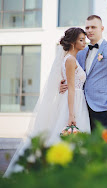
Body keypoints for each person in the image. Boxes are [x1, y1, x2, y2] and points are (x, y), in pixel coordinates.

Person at [4, 27, 91, 177]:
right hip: (73, 103)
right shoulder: (70, 60)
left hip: (76, 100)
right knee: (63, 138)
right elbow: (71, 88)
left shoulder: (71, 59)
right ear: (72, 42)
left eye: (84, 39)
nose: (84, 42)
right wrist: (72, 115)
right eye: (81, 40)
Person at [60, 15, 107, 134]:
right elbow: (75, 76)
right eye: (87, 27)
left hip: (103, 109)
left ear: (101, 28)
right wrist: (63, 85)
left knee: (103, 150)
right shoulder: (80, 52)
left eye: (93, 27)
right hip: (82, 108)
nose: (89, 30)